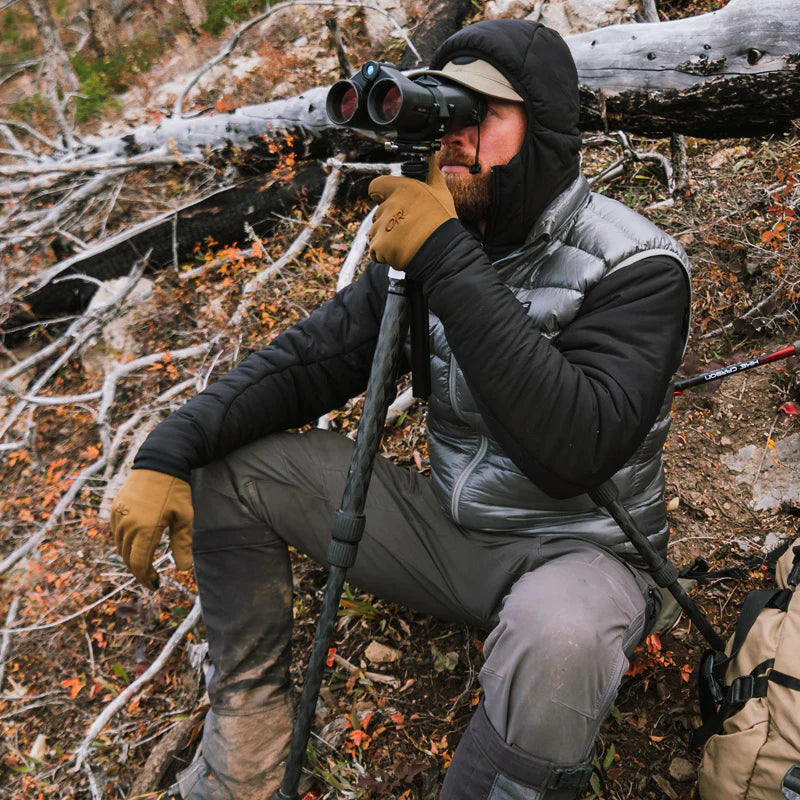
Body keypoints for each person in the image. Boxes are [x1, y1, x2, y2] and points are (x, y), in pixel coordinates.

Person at [111, 18, 691, 800]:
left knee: (561, 635)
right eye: (442, 114)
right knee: (236, 466)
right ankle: (243, 753)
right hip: (454, 537)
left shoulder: (636, 265)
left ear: (546, 129)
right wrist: (166, 450)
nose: (453, 138)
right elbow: (311, 363)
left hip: (583, 556)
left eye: (478, 115)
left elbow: (575, 452)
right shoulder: (442, 235)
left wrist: (446, 258)